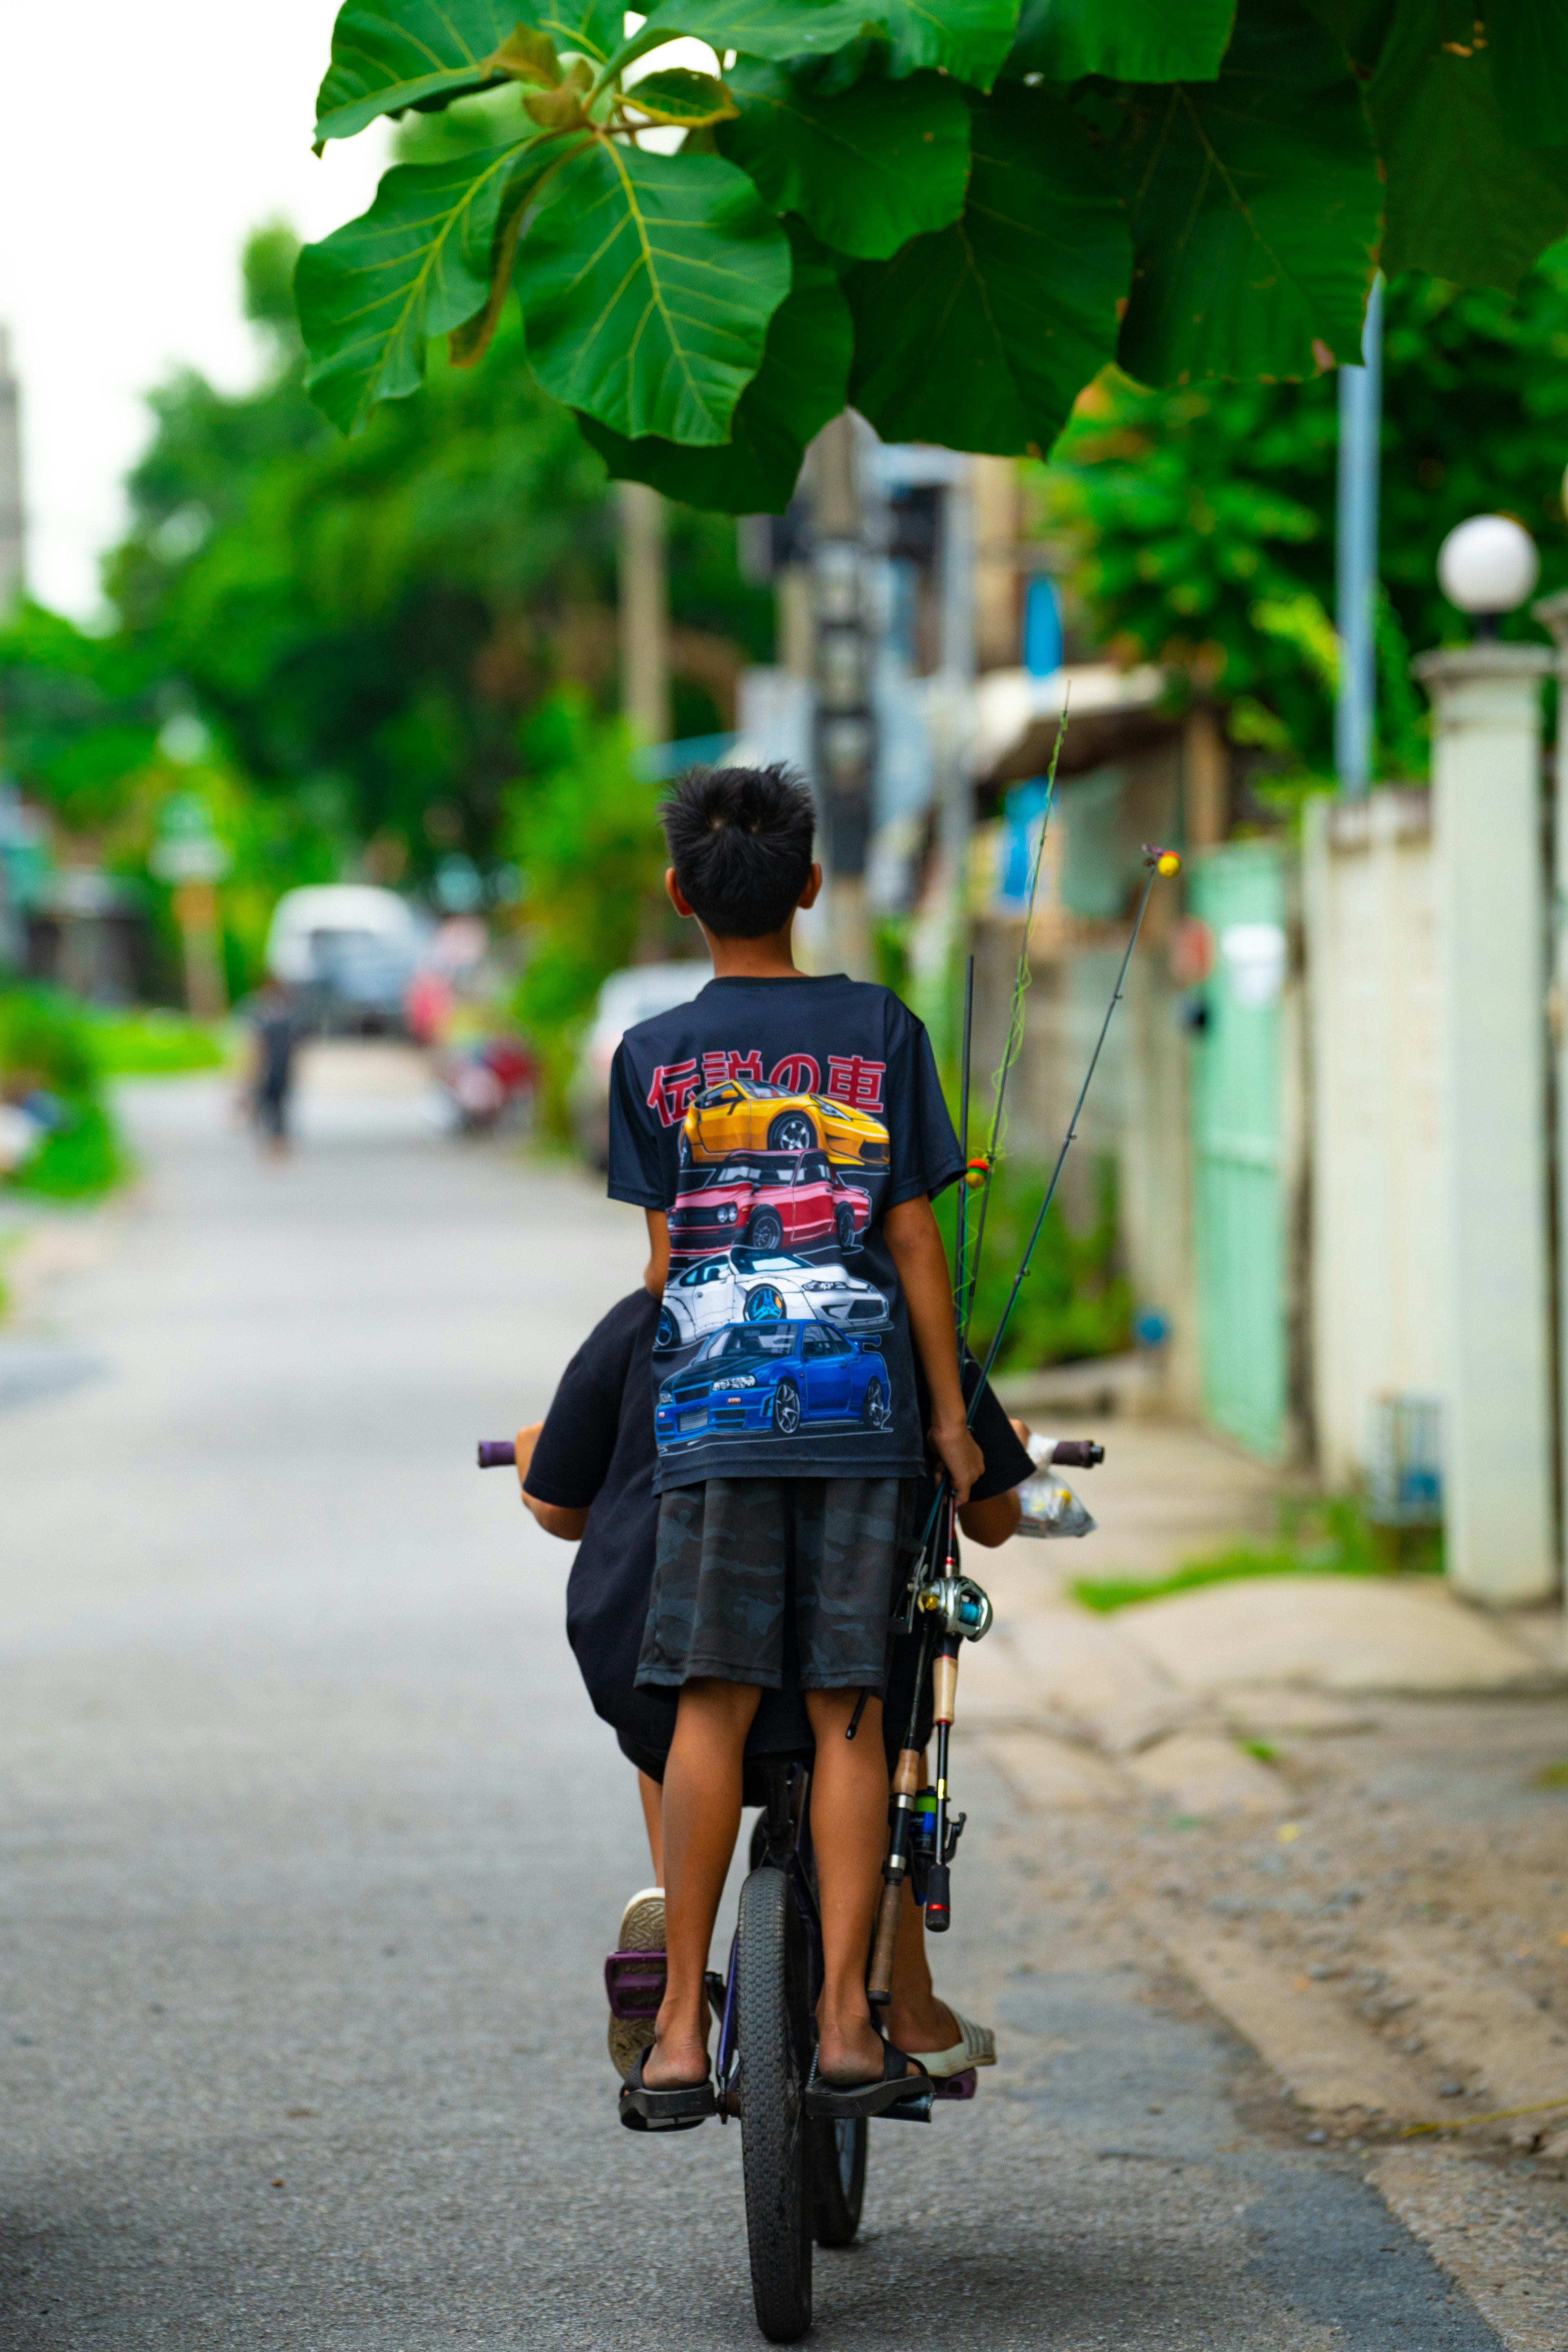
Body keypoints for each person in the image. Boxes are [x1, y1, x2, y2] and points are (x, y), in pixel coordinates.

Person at [603, 761, 987, 2125]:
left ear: (679, 895)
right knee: (848, 1709)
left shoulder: (652, 1057)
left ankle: (667, 2042)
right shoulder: (880, 1029)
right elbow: (912, 1240)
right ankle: (839, 2026)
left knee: (708, 1701)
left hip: (710, 1415)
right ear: (812, 885)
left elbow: (664, 1272)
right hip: (866, 1417)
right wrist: (950, 1421)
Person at [513, 1270, 1032, 2081]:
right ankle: (875, 2004)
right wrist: (971, 1435)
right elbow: (998, 1518)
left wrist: (527, 1459)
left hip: (675, 1666)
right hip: (851, 1668)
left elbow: (558, 1507)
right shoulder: (886, 1316)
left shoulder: (650, 1317)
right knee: (875, 1707)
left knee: (677, 1694)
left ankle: (677, 1974)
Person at [244, 980, 296, 1155]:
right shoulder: (288, 1019)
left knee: (269, 1105)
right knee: (277, 1107)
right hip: (282, 1071)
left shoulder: (263, 1019)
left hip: (269, 1071)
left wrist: (250, 1071)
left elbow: (257, 1048)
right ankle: (276, 1141)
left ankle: (272, 1141)